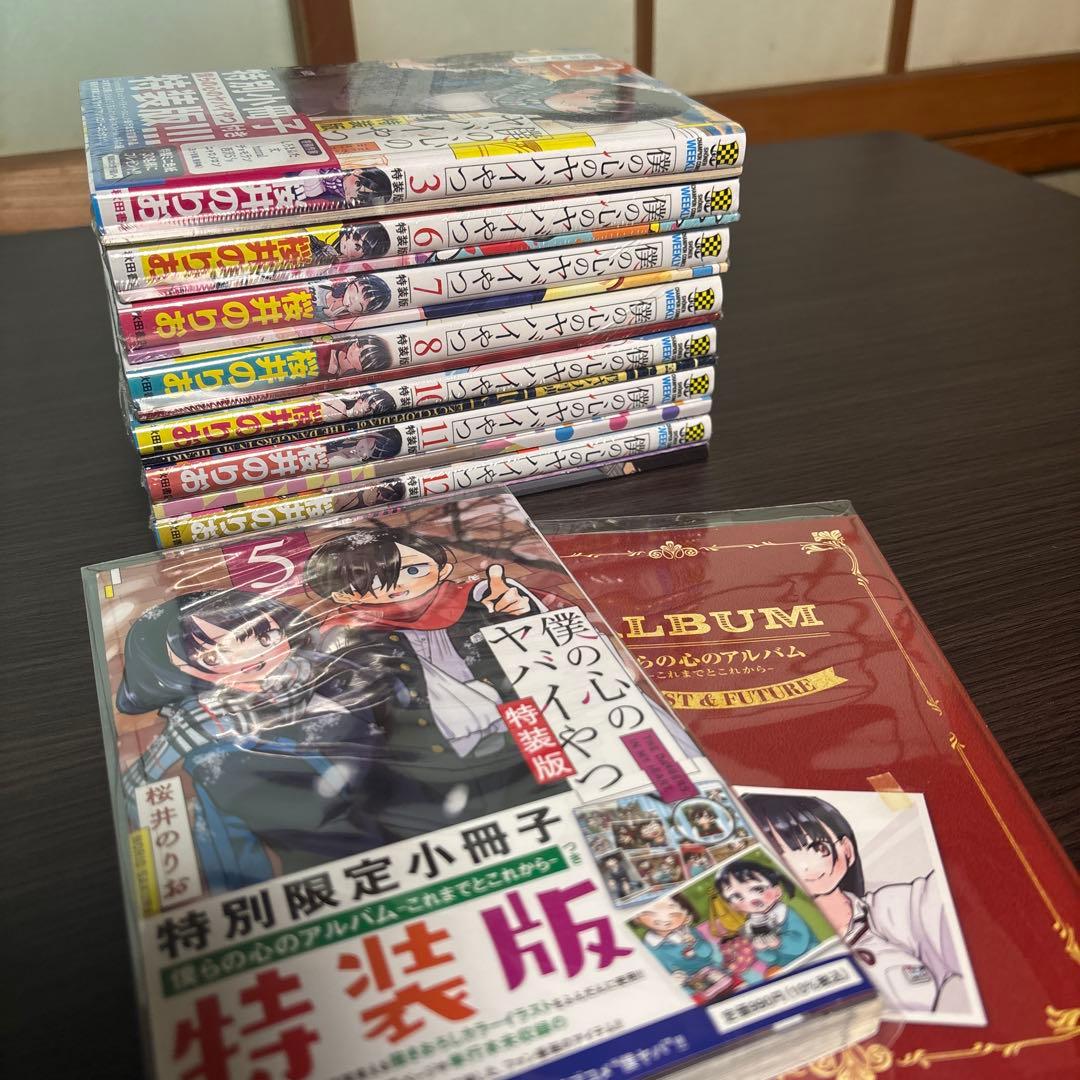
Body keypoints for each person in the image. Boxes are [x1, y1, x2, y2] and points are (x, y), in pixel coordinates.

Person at [115, 591, 389, 893]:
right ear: (182, 669)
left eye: (264, 636)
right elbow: (140, 787)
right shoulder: (211, 736)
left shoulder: (314, 671)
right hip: (338, 868)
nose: (249, 659)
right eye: (212, 657)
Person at [304, 524, 563, 838]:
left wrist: (520, 614)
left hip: (525, 734)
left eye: (413, 570)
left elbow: (555, 652)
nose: (397, 586)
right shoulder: (345, 637)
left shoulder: (483, 597)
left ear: (443, 569)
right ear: (342, 594)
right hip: (434, 764)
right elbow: (337, 714)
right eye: (366, 581)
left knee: (557, 805)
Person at [742, 793, 973, 1015]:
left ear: (847, 850)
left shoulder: (897, 908)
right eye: (776, 856)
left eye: (817, 848)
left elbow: (944, 907)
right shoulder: (764, 949)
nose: (803, 866)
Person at [715, 859, 817, 970]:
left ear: (777, 892)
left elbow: (800, 944)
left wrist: (779, 942)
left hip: (812, 956)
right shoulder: (751, 924)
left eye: (758, 889)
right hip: (787, 967)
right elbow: (771, 960)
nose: (750, 899)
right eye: (737, 897)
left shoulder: (785, 914)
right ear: (733, 906)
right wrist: (761, 950)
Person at [630, 894, 732, 996]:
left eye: (671, 908)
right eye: (651, 912)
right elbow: (654, 975)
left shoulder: (688, 931)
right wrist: (672, 980)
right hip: (687, 987)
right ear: (636, 918)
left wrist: (695, 943)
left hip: (711, 972)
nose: (664, 917)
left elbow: (707, 953)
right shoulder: (648, 948)